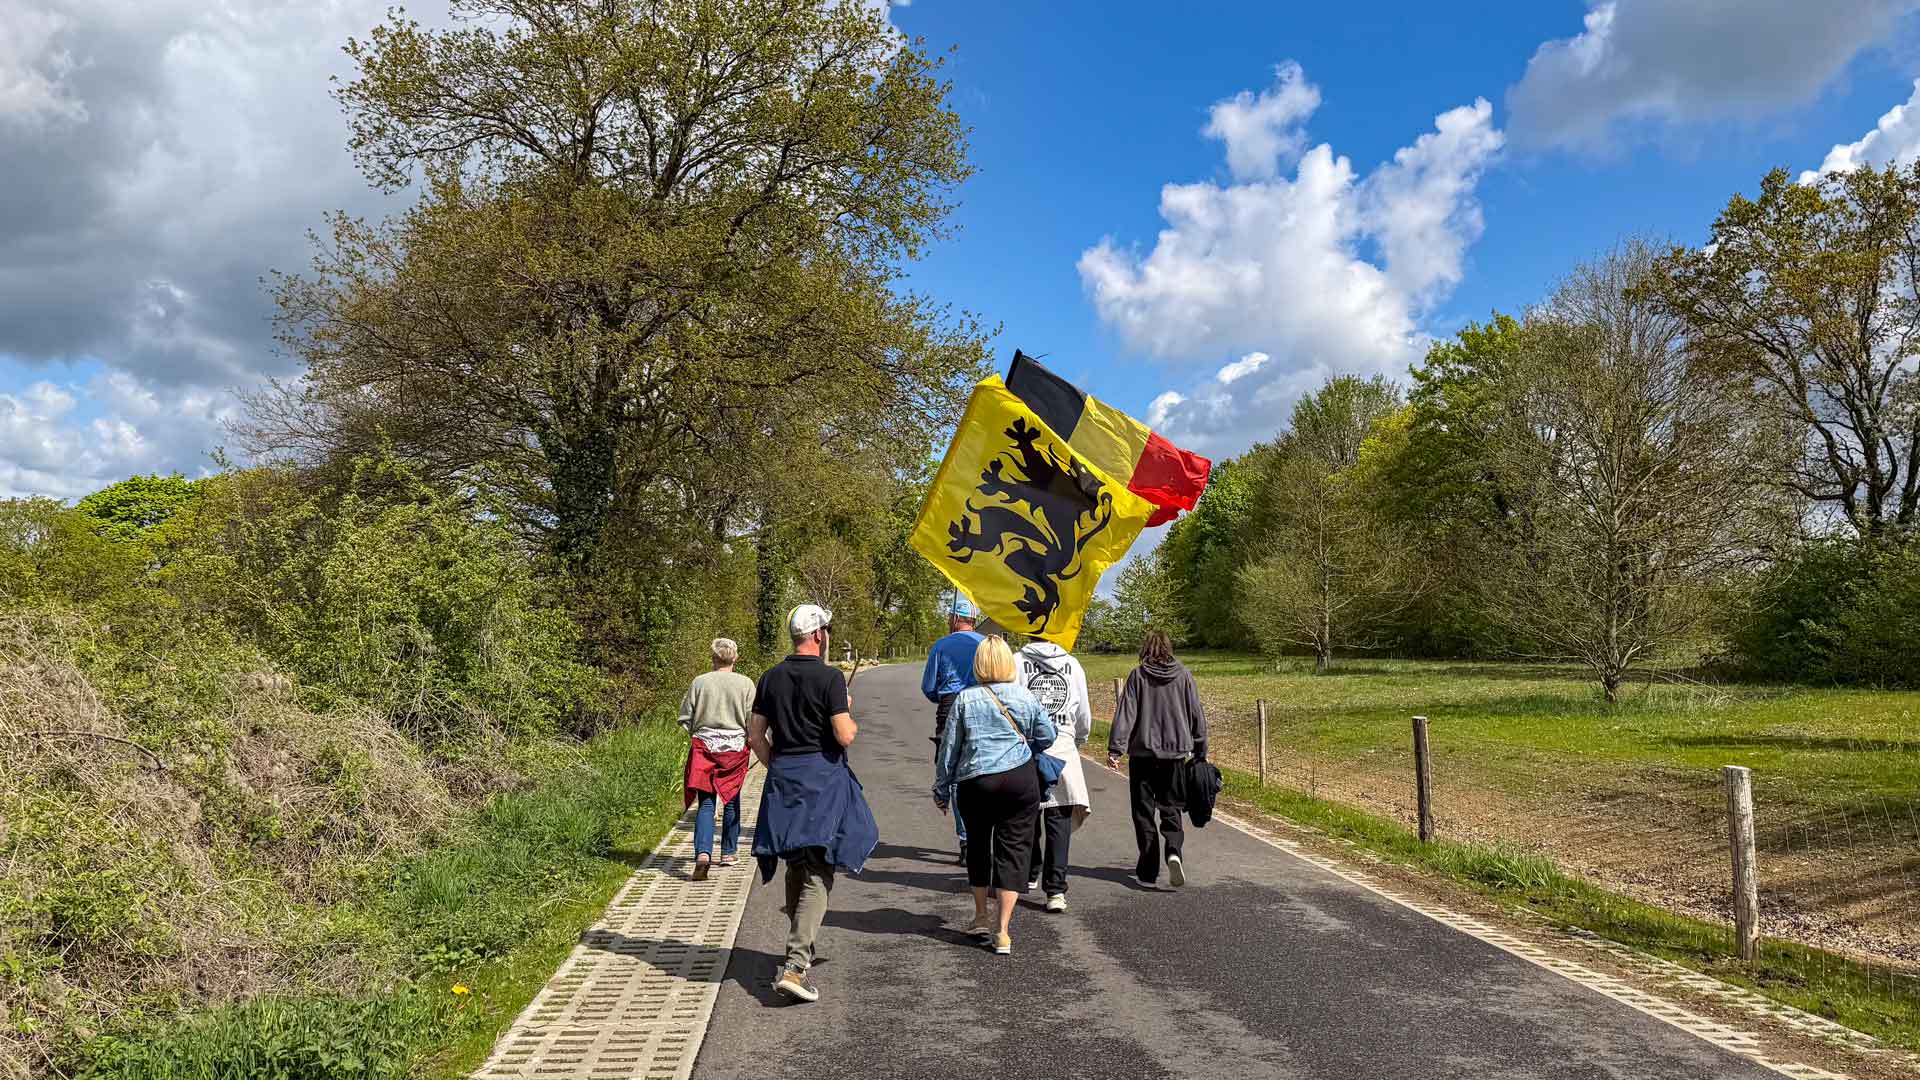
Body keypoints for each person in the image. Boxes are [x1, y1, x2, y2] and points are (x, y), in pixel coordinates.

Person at [749, 604, 880, 1003]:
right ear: (820, 634)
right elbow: (844, 736)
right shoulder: (831, 678)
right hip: (822, 779)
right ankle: (796, 964)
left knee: (796, 860)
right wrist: (848, 712)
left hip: (785, 777)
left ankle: (798, 947)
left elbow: (756, 736)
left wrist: (781, 766)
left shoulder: (769, 677)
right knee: (819, 866)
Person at [932, 636, 1056, 955]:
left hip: (977, 781)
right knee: (1014, 850)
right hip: (1019, 779)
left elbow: (950, 748)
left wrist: (942, 786)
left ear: (979, 664)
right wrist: (1027, 748)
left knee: (977, 846)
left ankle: (980, 916)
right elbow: (1048, 735)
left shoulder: (964, 699)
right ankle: (1003, 931)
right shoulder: (1024, 697)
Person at [1106, 630, 1208, 889]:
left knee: (1143, 812)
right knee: (1171, 806)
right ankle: (1173, 850)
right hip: (1175, 755)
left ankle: (1148, 869)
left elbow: (1126, 714)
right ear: (1169, 648)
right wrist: (1200, 749)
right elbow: (1196, 713)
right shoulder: (1184, 675)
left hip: (1142, 755)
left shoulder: (1138, 676)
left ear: (1146, 649)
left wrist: (1116, 749)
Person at [1017, 636, 1093, 912]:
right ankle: (1056, 891)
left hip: (1027, 749)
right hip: (1062, 748)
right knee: (1059, 819)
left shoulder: (1017, 662)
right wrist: (1078, 738)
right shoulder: (1072, 664)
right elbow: (1083, 713)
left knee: (1028, 815)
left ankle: (1030, 872)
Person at [679, 637, 756, 880]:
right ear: (735, 658)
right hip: (734, 748)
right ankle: (729, 852)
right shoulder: (745, 684)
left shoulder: (700, 682)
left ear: (713, 657)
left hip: (704, 745)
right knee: (731, 799)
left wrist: (696, 733)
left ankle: (703, 853)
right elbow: (752, 719)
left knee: (706, 802)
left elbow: (685, 717)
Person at [921, 593, 985, 863]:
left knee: (956, 775)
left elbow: (929, 687)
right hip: (983, 706)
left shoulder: (941, 646)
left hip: (950, 706)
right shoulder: (986, 644)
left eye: (950, 616)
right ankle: (983, 834)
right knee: (982, 768)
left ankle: (966, 840)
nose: (948, 619)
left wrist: (943, 696)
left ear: (956, 618)